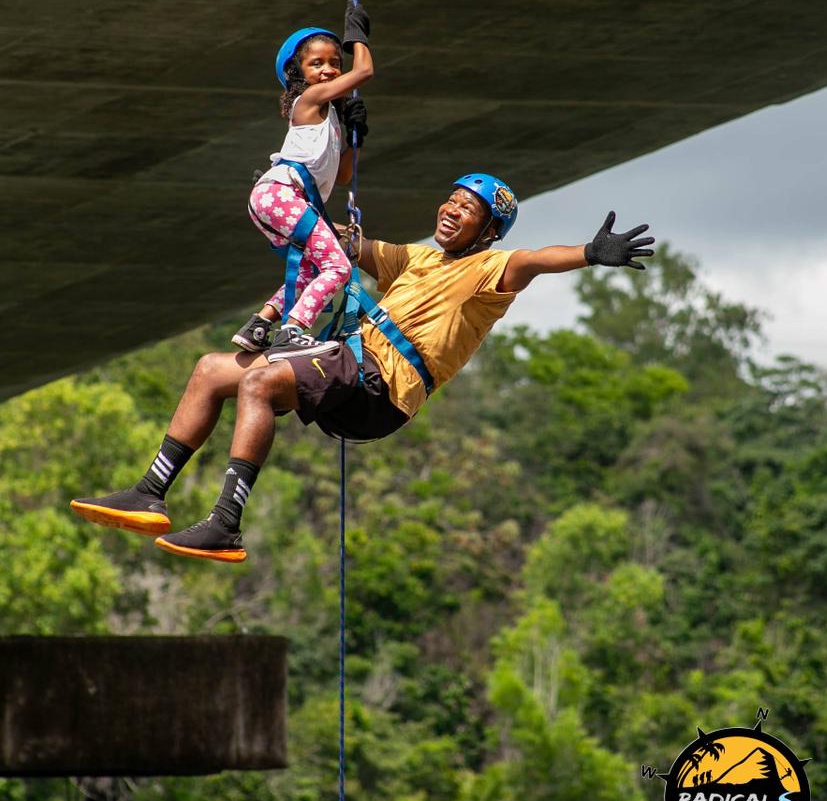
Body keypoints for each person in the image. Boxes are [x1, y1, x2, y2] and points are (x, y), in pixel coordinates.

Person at [70, 179, 654, 563]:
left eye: (468, 209)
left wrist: (587, 254)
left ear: (488, 231)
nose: (452, 210)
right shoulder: (416, 259)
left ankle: (225, 521)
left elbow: (535, 260)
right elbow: (346, 247)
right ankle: (150, 492)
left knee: (259, 381)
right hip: (350, 365)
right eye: (451, 201)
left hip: (382, 386)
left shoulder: (490, 271)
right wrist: (307, 180)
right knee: (211, 370)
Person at [230, 0, 372, 362]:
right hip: (282, 194)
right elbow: (364, 72)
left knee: (312, 270)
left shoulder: (330, 122)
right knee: (338, 267)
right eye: (317, 63)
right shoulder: (308, 100)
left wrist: (355, 136)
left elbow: (343, 176)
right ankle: (292, 332)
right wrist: (357, 38)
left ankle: (260, 324)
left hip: (278, 199)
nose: (328, 70)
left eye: (334, 62)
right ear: (298, 74)